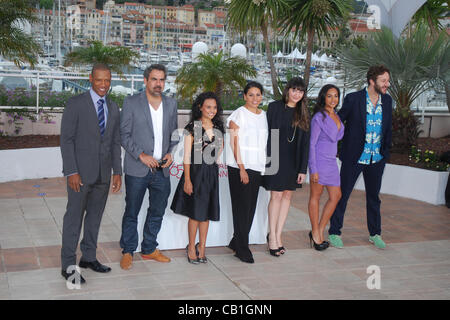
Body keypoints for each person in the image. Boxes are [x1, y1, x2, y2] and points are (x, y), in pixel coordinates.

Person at [60, 63, 122, 284]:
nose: (103, 84)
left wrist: (118, 172)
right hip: (80, 175)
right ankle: (68, 265)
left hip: (103, 175)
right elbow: (66, 140)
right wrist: (72, 171)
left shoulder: (114, 107)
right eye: (99, 80)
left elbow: (115, 142)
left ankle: (88, 257)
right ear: (90, 79)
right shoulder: (76, 104)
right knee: (74, 219)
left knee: (95, 218)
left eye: (107, 80)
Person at [119, 64, 178, 270]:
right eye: (154, 79)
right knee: (132, 211)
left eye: (162, 80)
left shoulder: (171, 104)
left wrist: (171, 152)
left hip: (162, 170)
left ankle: (149, 248)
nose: (158, 84)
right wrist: (141, 155)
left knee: (157, 211)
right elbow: (123, 135)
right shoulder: (131, 102)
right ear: (145, 80)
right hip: (137, 168)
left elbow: (174, 134)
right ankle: (128, 250)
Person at [328, 65, 392, 250]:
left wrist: (385, 152)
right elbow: (339, 122)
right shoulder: (354, 99)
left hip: (377, 158)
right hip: (354, 158)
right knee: (342, 195)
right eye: (384, 81)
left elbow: (388, 129)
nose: (387, 84)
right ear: (372, 81)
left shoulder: (387, 101)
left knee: (374, 198)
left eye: (387, 80)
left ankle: (375, 233)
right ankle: (334, 231)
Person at [170, 92, 224, 264]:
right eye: (208, 107)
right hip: (195, 173)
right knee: (195, 214)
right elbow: (186, 156)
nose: (212, 110)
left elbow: (218, 153)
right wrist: (187, 180)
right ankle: (191, 247)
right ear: (200, 107)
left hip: (211, 175)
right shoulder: (192, 127)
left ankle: (203, 248)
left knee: (206, 214)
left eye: (214, 107)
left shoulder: (219, 128)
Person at [263, 77, 310, 256]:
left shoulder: (304, 112)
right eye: (294, 90)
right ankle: (272, 237)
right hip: (275, 157)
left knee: (287, 196)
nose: (297, 94)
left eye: (300, 91)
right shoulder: (274, 107)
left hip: (293, 160)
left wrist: (302, 169)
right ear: (287, 90)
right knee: (275, 196)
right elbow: (265, 133)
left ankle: (278, 235)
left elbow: (305, 143)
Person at [227, 81, 268, 263]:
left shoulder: (264, 115)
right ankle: (242, 248)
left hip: (257, 166)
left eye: (258, 94)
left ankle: (236, 241)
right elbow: (234, 142)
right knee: (242, 208)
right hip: (239, 168)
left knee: (250, 207)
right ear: (244, 96)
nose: (254, 98)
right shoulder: (238, 114)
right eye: (250, 94)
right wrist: (241, 167)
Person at [308, 84, 344, 251]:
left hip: (331, 162)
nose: (333, 99)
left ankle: (320, 228)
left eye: (336, 96)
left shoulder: (336, 115)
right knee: (316, 195)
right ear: (323, 97)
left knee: (336, 196)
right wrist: (313, 169)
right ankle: (315, 232)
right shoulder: (318, 117)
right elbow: (312, 144)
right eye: (329, 96)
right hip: (319, 161)